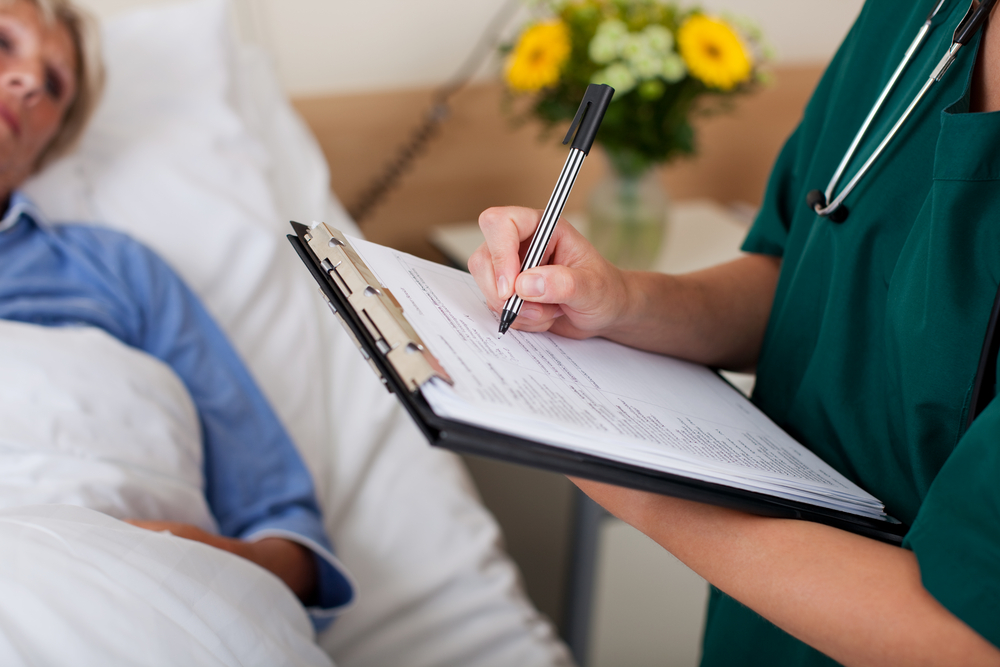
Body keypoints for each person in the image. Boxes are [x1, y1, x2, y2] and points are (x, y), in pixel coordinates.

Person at [470, 0, 1000, 664]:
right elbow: (806, 273)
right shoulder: (917, 15)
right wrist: (620, 301)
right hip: (759, 631)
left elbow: (969, 637)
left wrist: (628, 471)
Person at [0, 0, 352, 626]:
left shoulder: (119, 273)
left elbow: (286, 534)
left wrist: (197, 563)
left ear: (43, 151)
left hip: (134, 604)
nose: (27, 80)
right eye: (4, 42)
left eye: (53, 85)